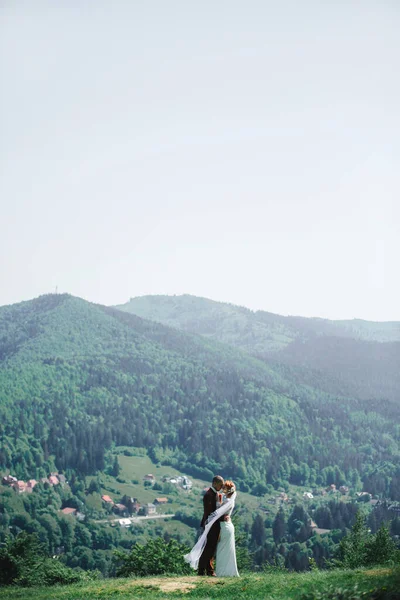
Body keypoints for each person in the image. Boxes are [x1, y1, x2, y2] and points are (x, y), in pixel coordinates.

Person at [184, 476, 239, 577]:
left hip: (216, 525)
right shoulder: (209, 495)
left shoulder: (215, 494)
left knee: (211, 548)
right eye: (220, 485)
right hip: (211, 525)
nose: (222, 487)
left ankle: (209, 570)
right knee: (209, 548)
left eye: (223, 486)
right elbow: (210, 513)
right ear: (214, 483)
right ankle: (202, 570)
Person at [215, 480, 239, 577]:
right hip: (226, 525)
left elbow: (218, 512)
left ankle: (222, 573)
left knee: (222, 550)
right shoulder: (229, 500)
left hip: (224, 526)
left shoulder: (228, 501)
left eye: (224, 488)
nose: (222, 490)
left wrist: (217, 501)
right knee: (226, 550)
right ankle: (227, 572)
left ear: (228, 490)